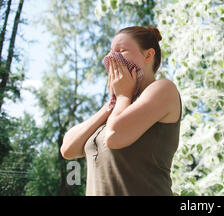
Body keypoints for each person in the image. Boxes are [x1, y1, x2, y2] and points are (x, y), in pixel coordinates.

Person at [60, 25, 182, 196]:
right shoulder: (117, 108)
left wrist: (124, 96)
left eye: (122, 50)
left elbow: (114, 136)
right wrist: (111, 104)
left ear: (148, 55)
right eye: (110, 52)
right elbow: (68, 149)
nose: (112, 57)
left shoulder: (163, 89)